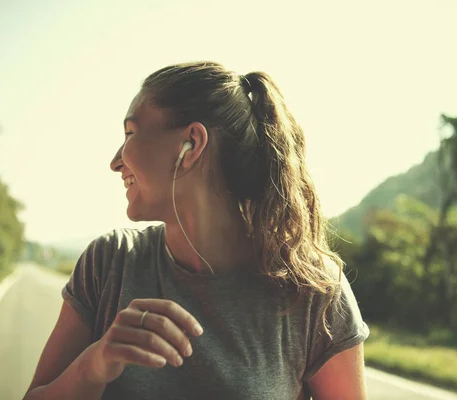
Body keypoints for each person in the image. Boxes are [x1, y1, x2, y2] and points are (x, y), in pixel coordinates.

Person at [24, 61, 370, 400]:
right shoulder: (109, 263)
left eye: (130, 133)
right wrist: (94, 365)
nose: (115, 161)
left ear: (191, 143)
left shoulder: (313, 291)